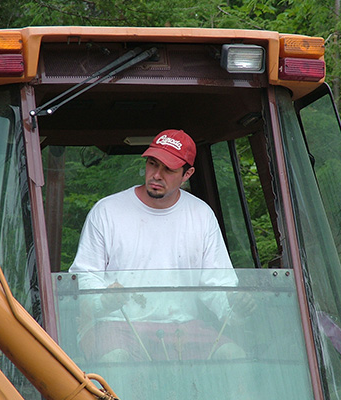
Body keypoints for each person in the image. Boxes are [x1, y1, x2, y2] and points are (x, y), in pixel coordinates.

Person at [70, 129, 248, 362]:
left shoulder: (201, 215)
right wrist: (103, 301)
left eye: (168, 169)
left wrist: (237, 307)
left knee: (233, 356)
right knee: (116, 361)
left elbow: (218, 285)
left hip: (182, 327)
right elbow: (84, 278)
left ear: (188, 174)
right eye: (153, 164)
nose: (156, 175)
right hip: (117, 324)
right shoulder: (107, 211)